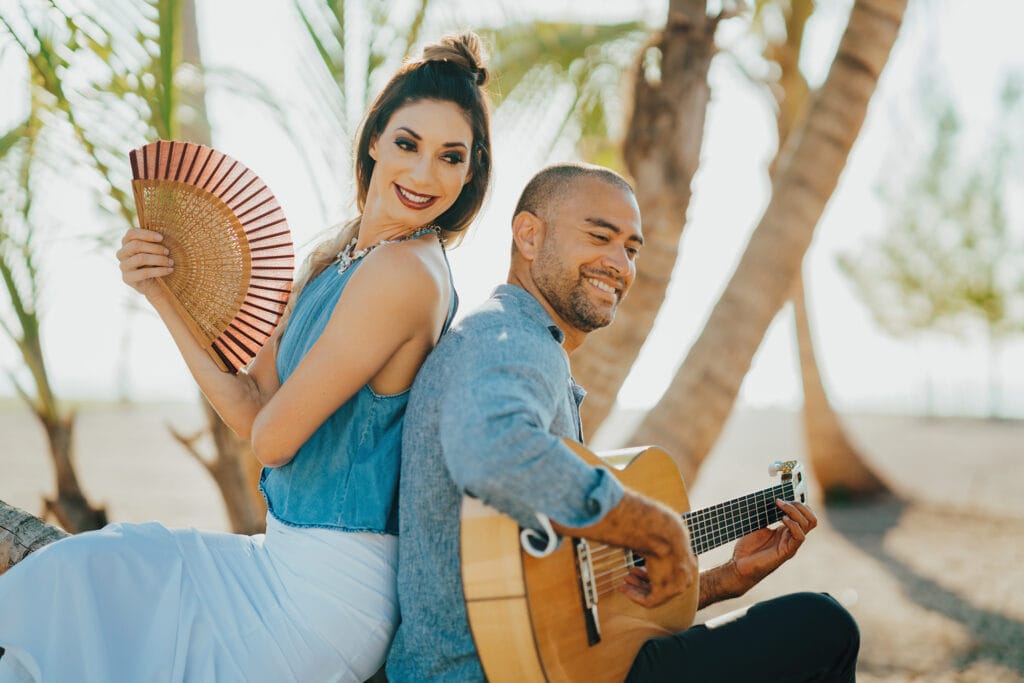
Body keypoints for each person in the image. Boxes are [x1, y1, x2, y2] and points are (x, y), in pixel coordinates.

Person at [0, 32, 492, 683]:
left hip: (327, 596)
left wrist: (263, 411)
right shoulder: (336, 256)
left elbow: (272, 441)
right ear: (374, 139)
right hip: (272, 560)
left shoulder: (407, 273)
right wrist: (161, 295)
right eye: (409, 144)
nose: (426, 174)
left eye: (451, 156)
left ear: (469, 170)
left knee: (92, 592)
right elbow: (246, 408)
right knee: (91, 566)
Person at [386, 162, 860, 682]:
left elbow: (579, 610)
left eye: (631, 249)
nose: (619, 263)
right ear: (528, 234)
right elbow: (493, 450)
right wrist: (654, 528)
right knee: (822, 626)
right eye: (599, 236)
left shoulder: (522, 345)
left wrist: (723, 580)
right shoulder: (506, 339)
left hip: (532, 664)